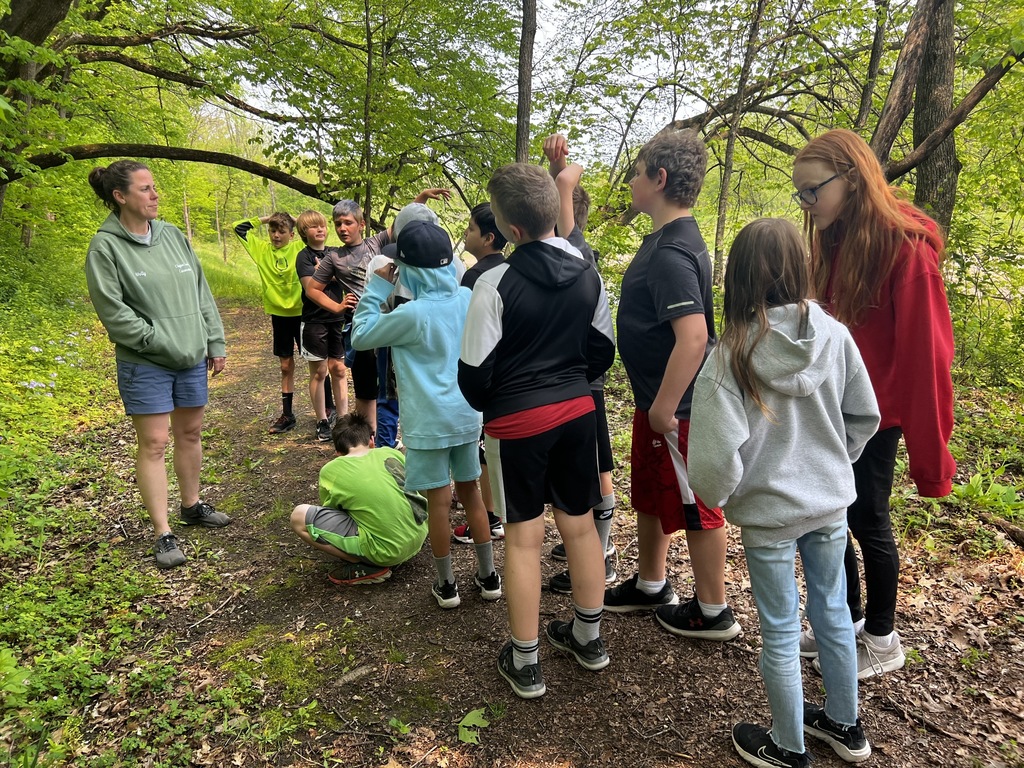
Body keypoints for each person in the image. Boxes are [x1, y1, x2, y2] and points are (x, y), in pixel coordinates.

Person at [688, 219, 878, 767]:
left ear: (738, 278)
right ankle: (846, 725)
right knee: (834, 613)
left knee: (780, 628)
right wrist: (835, 466)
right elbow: (864, 415)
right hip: (829, 506)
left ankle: (789, 747)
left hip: (769, 515)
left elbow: (714, 457)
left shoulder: (730, 355)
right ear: (800, 266)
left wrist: (725, 494)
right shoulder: (835, 336)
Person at [792, 128, 956, 678]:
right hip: (828, 412)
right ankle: (845, 620)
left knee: (867, 519)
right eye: (801, 195)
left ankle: (883, 639)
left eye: (813, 191)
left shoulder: (907, 252)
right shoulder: (833, 241)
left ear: (853, 179)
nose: (807, 204)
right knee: (827, 516)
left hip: (875, 417)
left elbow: (926, 362)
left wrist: (932, 463)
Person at [459, 163, 616, 699]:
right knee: (580, 525)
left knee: (525, 539)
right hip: (578, 414)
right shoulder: (589, 274)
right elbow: (602, 352)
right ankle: (588, 638)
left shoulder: (494, 283)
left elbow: (474, 377)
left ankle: (525, 662)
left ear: (509, 231)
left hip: (517, 422)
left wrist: (507, 400)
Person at [606, 129, 741, 642]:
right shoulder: (665, 241)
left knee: (696, 504)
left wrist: (665, 408)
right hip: (654, 402)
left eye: (637, 172)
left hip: (677, 407)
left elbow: (694, 337)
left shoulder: (672, 252)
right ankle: (650, 584)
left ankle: (713, 611)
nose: (632, 181)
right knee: (648, 493)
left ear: (659, 179)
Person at [85, 160, 232, 570]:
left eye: (154, 188)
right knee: (153, 443)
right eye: (146, 189)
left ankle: (192, 505)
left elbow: (201, 292)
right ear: (121, 196)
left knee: (191, 432)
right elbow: (113, 312)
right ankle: (163, 532)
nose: (155, 195)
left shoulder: (171, 236)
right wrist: (159, 341)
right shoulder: (106, 247)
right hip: (146, 361)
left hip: (190, 357)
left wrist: (213, 340)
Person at [351, 220, 500, 609]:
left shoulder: (411, 314)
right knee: (470, 492)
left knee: (438, 500)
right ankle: (488, 577)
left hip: (428, 424)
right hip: (468, 415)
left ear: (409, 271)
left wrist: (379, 287)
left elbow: (360, 335)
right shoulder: (467, 299)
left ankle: (447, 585)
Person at [305, 190, 450, 439]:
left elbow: (406, 224)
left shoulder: (375, 243)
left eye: (348, 222)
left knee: (387, 387)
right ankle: (368, 440)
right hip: (359, 325)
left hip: (385, 320)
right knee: (365, 388)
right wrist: (337, 307)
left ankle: (386, 438)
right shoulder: (333, 257)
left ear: (361, 224)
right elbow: (312, 289)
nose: (342, 228)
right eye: (338, 224)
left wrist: (421, 198)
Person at [541, 132, 618, 593]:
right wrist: (556, 172)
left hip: (583, 383)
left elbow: (563, 230)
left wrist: (562, 178)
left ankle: (602, 556)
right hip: (583, 381)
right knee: (598, 465)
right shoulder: (575, 251)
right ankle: (596, 547)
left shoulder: (577, 254)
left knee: (597, 469)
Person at [289, 413, 428, 585]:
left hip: (388, 553)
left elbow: (333, 510)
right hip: (421, 534)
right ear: (371, 440)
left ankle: (366, 566)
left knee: (299, 517)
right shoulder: (390, 452)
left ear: (338, 452)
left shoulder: (331, 469)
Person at [451, 202, 508, 544]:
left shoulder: (476, 278)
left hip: (483, 374)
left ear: (488, 237)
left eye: (471, 229)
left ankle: (488, 517)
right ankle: (494, 513)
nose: (466, 234)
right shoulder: (510, 269)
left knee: (485, 447)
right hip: (506, 374)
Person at [232, 212, 305, 434]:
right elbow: (238, 227)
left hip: (303, 313)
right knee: (285, 365)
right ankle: (287, 414)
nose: (276, 235)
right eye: (273, 231)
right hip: (279, 315)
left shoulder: (298, 249)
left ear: (291, 234)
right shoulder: (261, 250)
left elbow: (316, 227)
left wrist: (295, 217)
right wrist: (266, 218)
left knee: (318, 364)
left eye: (282, 231)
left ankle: (327, 410)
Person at [295, 210, 349, 442]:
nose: (320, 230)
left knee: (339, 369)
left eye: (322, 226)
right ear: (303, 233)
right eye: (313, 227)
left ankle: (344, 420)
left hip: (338, 320)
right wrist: (331, 276)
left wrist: (325, 273)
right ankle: (322, 420)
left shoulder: (335, 253)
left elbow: (348, 276)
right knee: (319, 372)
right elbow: (311, 289)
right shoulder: (303, 256)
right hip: (315, 320)